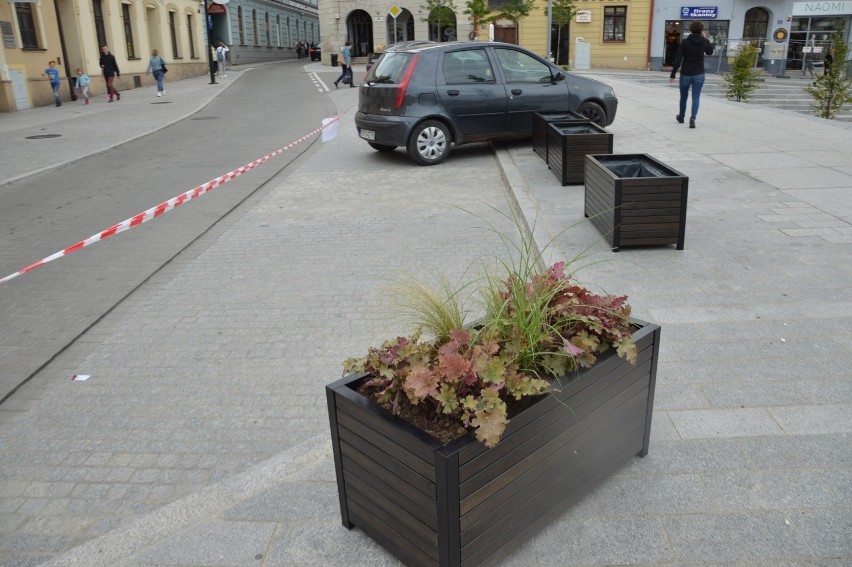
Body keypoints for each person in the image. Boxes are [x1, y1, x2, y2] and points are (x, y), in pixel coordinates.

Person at [669, 21, 713, 129]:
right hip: (699, 73)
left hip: (686, 73)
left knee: (683, 97)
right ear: (701, 30)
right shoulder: (704, 41)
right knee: (696, 97)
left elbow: (678, 59)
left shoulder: (685, 42)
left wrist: (673, 74)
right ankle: (693, 118)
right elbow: (710, 52)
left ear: (690, 29)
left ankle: (681, 117)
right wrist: (706, 39)